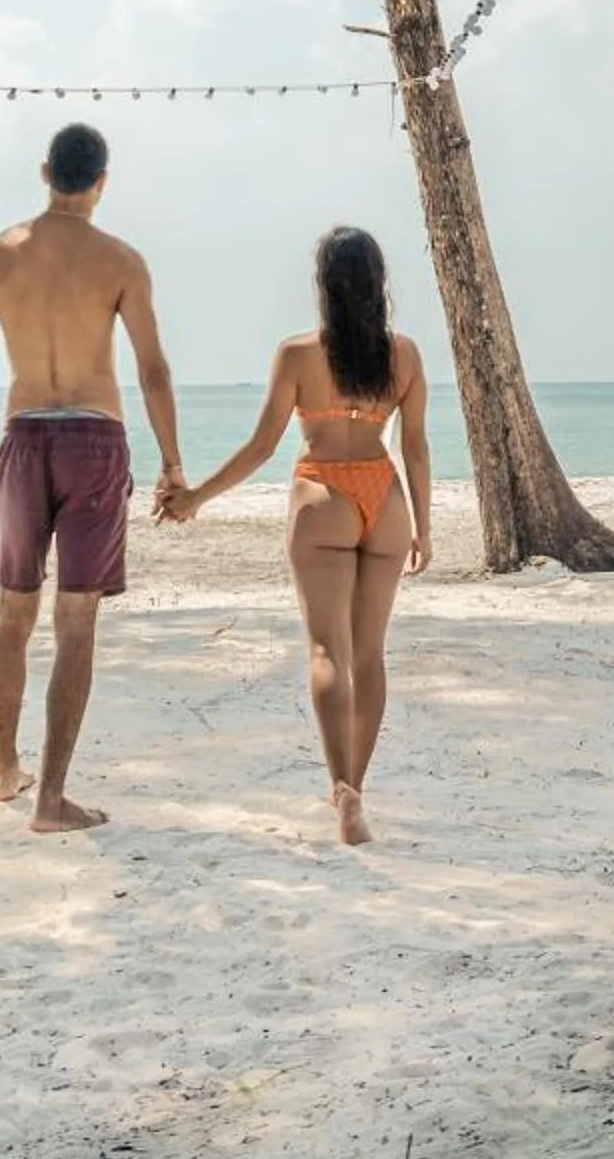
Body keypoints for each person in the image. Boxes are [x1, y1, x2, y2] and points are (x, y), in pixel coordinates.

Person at [158, 226, 431, 844]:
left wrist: (196, 496)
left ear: (323, 286)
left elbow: (261, 446)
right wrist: (425, 527)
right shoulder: (406, 356)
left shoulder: (297, 354)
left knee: (327, 653)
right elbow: (413, 448)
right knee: (369, 655)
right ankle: (357, 784)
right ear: (379, 284)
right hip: (385, 500)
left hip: (322, 496)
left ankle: (343, 793)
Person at [0, 123, 184, 833]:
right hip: (95, 438)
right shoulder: (120, 260)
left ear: (45, 170)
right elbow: (152, 370)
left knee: (12, 612)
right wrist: (174, 463)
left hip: (22, 439)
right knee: (76, 620)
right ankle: (50, 799)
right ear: (102, 180)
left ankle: (2, 770)